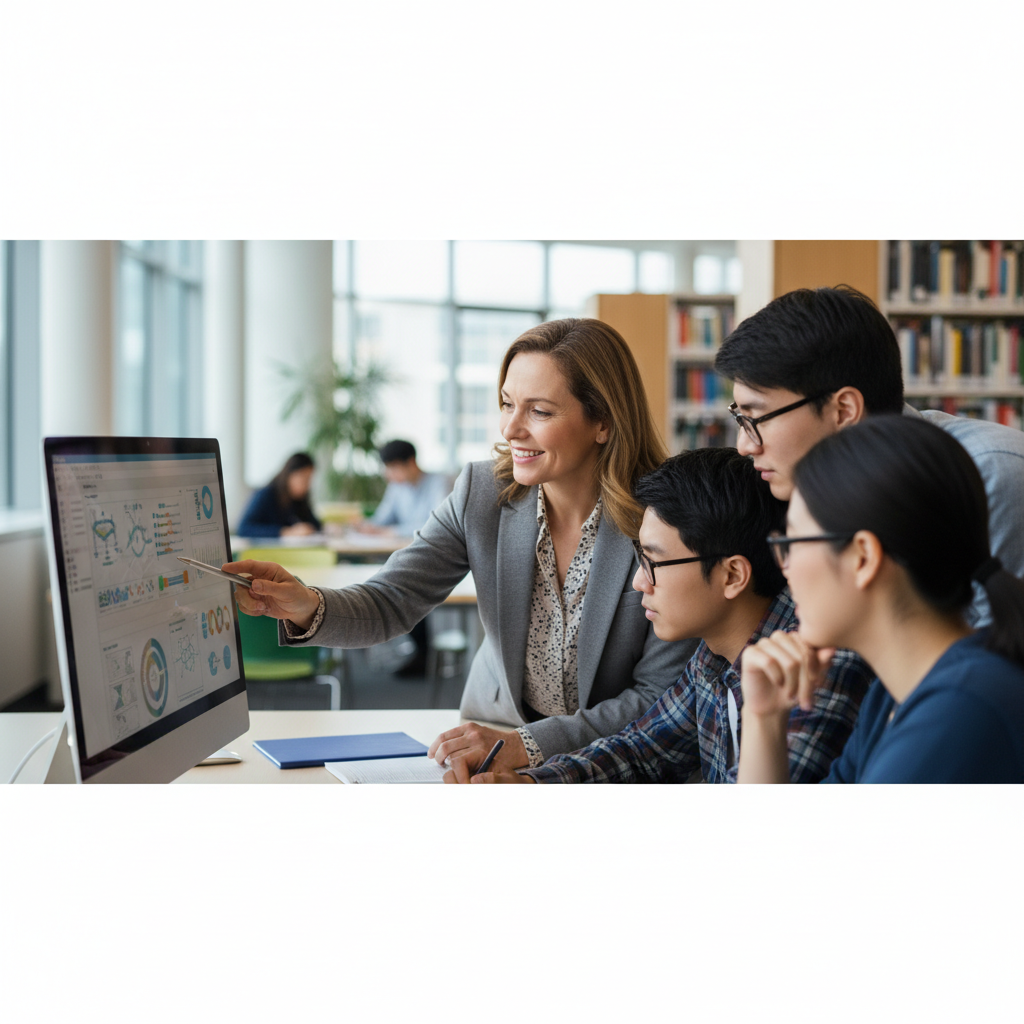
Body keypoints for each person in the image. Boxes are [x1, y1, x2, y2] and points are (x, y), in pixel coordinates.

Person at [227, 318, 697, 774]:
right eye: (507, 404)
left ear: (604, 422)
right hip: (492, 733)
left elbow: (659, 696)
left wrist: (530, 746)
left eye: (539, 411)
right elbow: (392, 599)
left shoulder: (665, 519)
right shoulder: (482, 494)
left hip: (610, 755)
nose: (511, 429)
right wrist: (306, 604)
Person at [456, 448, 873, 784]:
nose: (640, 582)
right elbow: (642, 751)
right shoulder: (713, 655)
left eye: (653, 562)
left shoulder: (813, 670)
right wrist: (530, 784)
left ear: (732, 575)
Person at [713, 284, 1024, 625]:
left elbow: (997, 651)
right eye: (740, 418)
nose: (744, 446)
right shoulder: (809, 491)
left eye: (757, 418)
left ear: (844, 410)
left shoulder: (986, 473)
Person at [737, 416, 1024, 783]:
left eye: (791, 543)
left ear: (863, 558)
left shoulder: (962, 708)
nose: (785, 567)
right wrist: (764, 717)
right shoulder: (891, 696)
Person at [354, 439, 451, 538]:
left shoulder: (439, 483)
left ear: (411, 462)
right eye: (387, 468)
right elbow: (381, 519)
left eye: (393, 467)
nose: (388, 474)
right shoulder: (396, 486)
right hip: (400, 544)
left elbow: (437, 525)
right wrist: (364, 526)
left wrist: (394, 532)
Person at [235, 452, 322, 539]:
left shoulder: (298, 500)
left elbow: (314, 525)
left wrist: (320, 528)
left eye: (309, 479)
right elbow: (244, 529)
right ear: (289, 475)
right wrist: (285, 532)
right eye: (304, 479)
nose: (307, 485)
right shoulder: (266, 495)